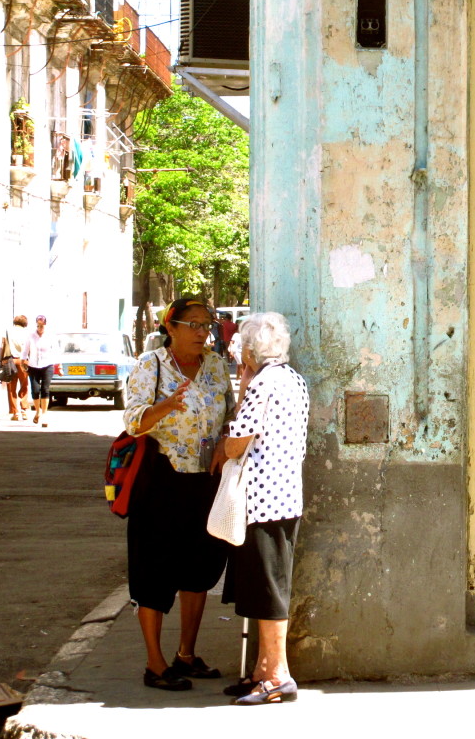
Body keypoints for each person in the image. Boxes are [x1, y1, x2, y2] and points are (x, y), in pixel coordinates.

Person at [122, 298, 236, 691]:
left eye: (208, 325)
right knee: (153, 569)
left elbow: (231, 414)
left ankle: (186, 654)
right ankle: (155, 663)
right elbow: (133, 421)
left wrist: (225, 443)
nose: (203, 332)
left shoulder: (218, 366)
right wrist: (165, 406)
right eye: (193, 325)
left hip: (205, 480)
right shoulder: (150, 365)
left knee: (200, 568)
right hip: (161, 481)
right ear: (171, 328)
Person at [221, 312, 309, 705]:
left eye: (242, 347)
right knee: (264, 586)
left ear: (252, 351)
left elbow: (236, 442)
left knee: (269, 588)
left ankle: (277, 675)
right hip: (286, 495)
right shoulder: (294, 381)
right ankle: (262, 670)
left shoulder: (262, 384)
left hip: (262, 500)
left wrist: (241, 389)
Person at [20, 315, 57, 427]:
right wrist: (23, 362)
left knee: (45, 389)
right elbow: (25, 350)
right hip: (33, 366)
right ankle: (37, 411)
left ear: (45, 324)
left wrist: (59, 365)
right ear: (36, 324)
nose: (40, 327)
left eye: (42, 325)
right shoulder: (31, 336)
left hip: (47, 365)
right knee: (35, 390)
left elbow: (56, 351)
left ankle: (45, 414)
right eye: (38, 325)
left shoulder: (50, 336)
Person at [1, 315, 31, 421]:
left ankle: (15, 413)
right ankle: (24, 410)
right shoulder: (28, 333)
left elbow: (3, 345)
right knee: (24, 386)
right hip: (24, 361)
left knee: (11, 388)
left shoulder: (8, 331)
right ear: (25, 323)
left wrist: (1, 359)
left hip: (11, 361)